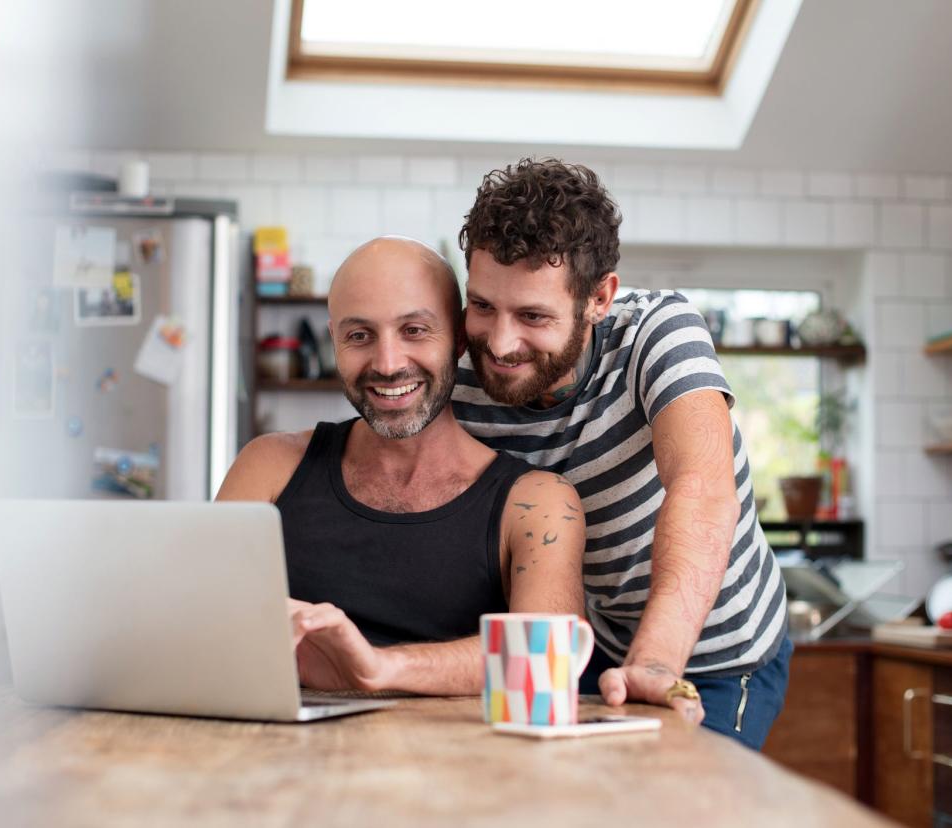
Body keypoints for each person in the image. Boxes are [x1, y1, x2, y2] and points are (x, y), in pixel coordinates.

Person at [451, 159, 790, 748]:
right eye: (483, 306)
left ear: (599, 297)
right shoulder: (461, 370)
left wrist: (656, 662)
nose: (500, 344)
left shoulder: (658, 332)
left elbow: (703, 491)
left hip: (718, 648)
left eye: (533, 316)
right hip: (595, 640)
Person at [217, 236, 586, 696]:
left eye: (414, 330)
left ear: (459, 338)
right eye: (359, 336)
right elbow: (200, 623)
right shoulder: (269, 466)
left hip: (466, 764)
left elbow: (548, 666)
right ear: (334, 339)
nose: (388, 364)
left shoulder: (537, 503)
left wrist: (378, 667)